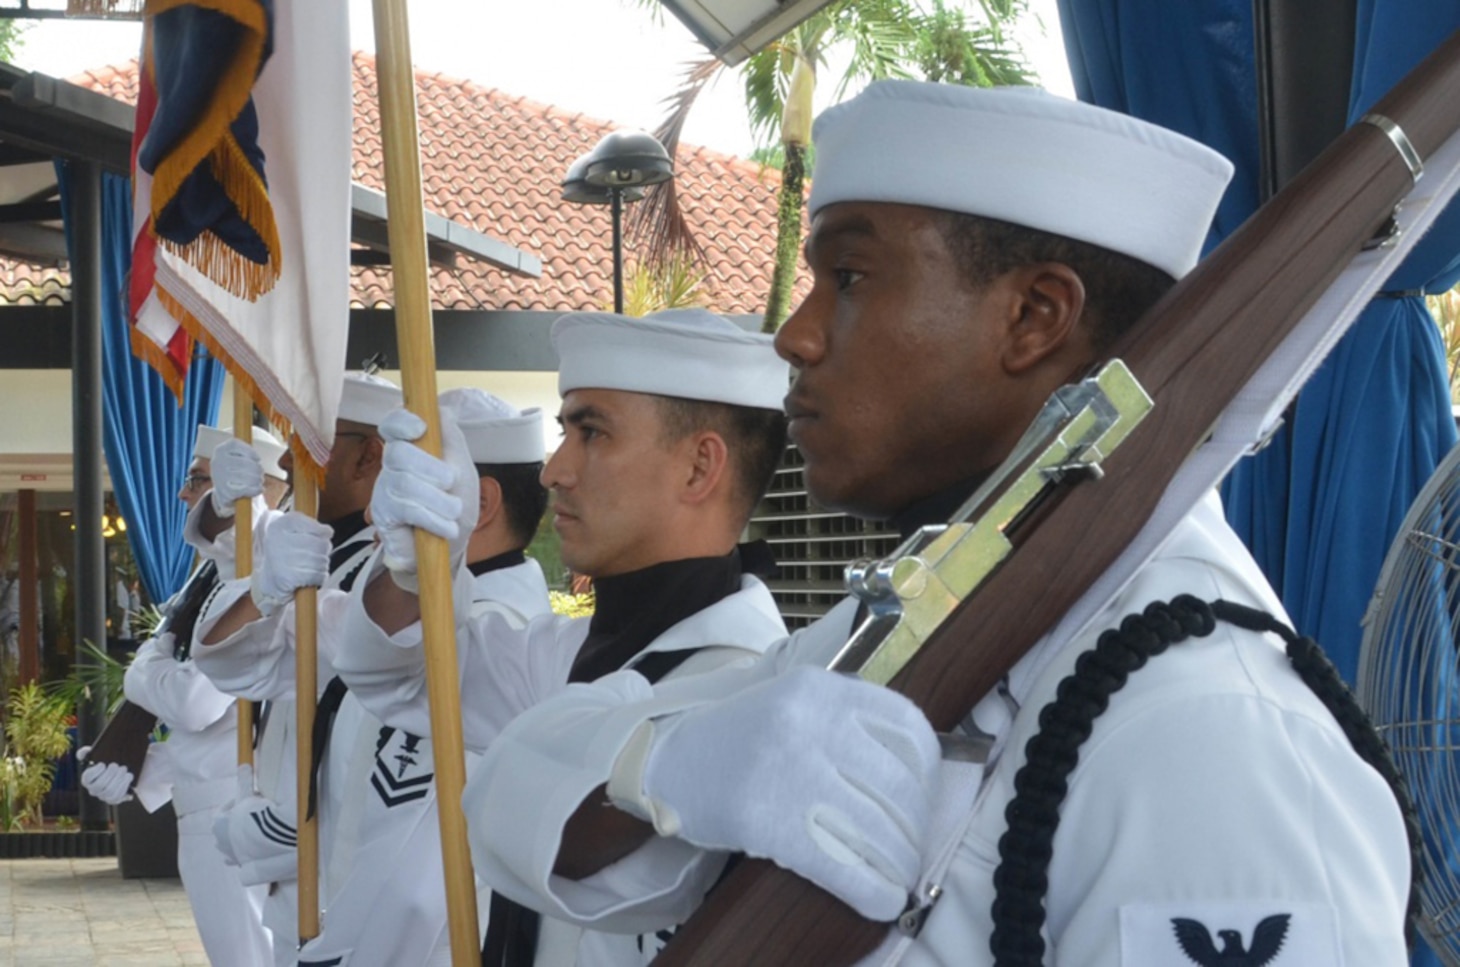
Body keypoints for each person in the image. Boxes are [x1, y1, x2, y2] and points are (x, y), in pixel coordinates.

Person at [454, 81, 1414, 966]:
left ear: (1034, 316)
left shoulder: (1210, 731)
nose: (797, 332)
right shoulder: (895, 627)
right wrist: (663, 764)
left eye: (853, 277)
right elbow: (511, 794)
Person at [334, 308, 792, 964]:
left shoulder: (751, 685)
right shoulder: (570, 651)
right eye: (564, 434)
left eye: (592, 433)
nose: (554, 471)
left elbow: (571, 850)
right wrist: (414, 566)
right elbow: (399, 675)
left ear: (699, 468)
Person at [295, 388, 554, 967]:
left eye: (399, 487)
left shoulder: (491, 637)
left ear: (478, 504)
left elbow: (419, 884)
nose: (370, 515)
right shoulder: (423, 626)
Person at [190, 371, 400, 966]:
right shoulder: (322, 549)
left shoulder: (382, 576)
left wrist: (280, 826)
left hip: (330, 867)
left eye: (307, 445)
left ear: (370, 457)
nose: (285, 458)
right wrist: (226, 509)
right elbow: (228, 632)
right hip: (295, 865)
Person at [80, 421, 288, 967]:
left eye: (197, 480)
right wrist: (148, 765)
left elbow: (198, 702)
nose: (183, 494)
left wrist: (143, 669)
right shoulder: (208, 577)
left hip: (239, 802)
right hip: (210, 798)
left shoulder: (261, 570)